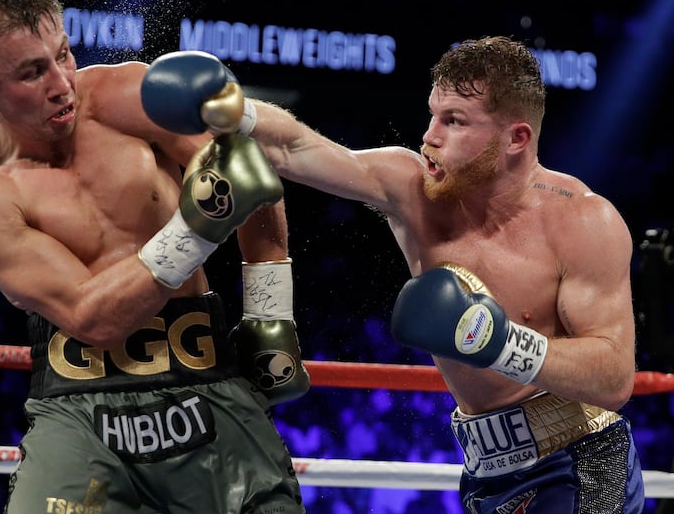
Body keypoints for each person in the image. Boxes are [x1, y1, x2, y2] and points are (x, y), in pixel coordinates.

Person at [141, 38, 646, 513]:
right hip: (486, 469)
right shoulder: (412, 188)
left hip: (580, 459)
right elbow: (296, 148)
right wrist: (235, 110)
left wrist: (499, 342)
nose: (430, 137)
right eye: (433, 116)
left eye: (454, 121)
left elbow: (614, 375)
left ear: (516, 138)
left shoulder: (583, 221)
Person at [0, 0, 309, 514]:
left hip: (204, 380)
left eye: (62, 54)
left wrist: (269, 314)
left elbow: (245, 170)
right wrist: (198, 224)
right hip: (79, 411)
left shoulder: (127, 96)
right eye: (31, 72)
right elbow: (92, 316)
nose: (61, 83)